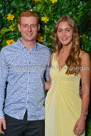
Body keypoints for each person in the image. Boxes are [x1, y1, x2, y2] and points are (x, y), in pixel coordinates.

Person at [0, 10, 50, 136]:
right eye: (25, 25)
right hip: (12, 116)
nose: (29, 29)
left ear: (38, 27)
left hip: (38, 117)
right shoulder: (6, 52)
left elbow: (51, 82)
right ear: (19, 27)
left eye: (33, 25)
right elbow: (0, 85)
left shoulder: (46, 53)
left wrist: (75, 88)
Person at [45, 16, 90, 136]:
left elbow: (86, 89)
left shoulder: (83, 57)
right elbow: (50, 84)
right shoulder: (53, 56)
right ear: (56, 34)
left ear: (74, 32)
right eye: (60, 30)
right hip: (52, 110)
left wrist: (83, 117)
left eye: (67, 30)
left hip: (72, 110)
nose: (63, 34)